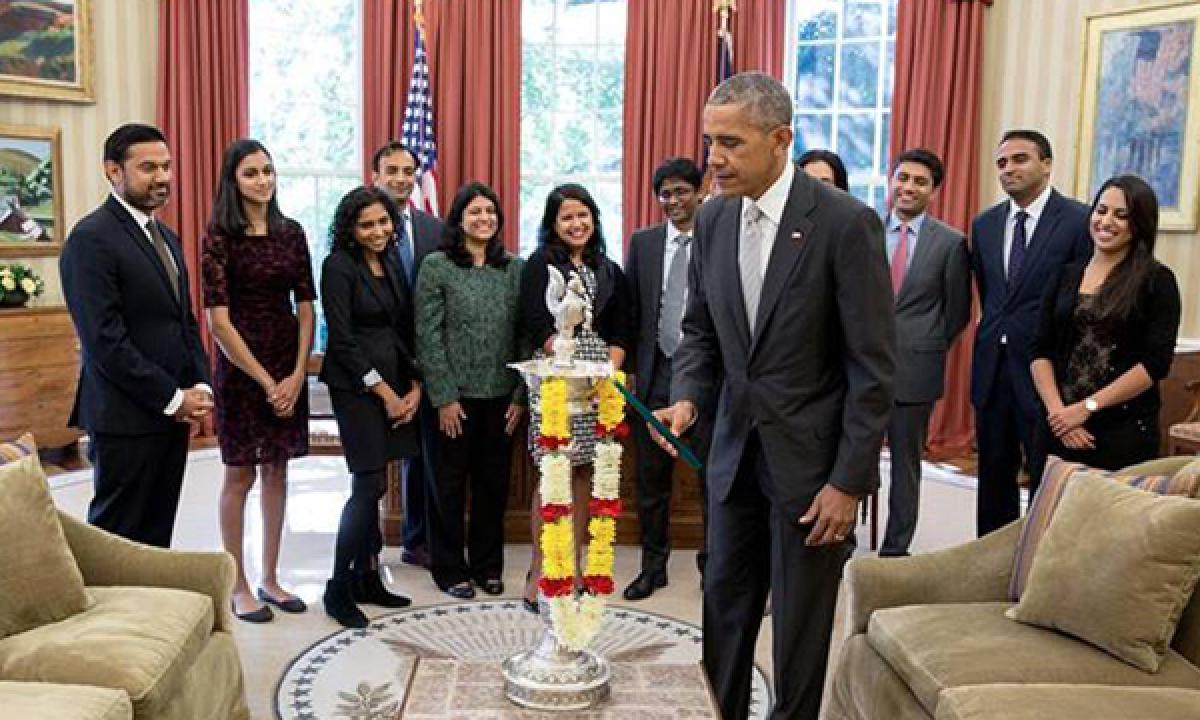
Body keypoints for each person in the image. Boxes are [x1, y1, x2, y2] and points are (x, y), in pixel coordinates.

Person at [653, 72, 895, 720]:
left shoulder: (846, 224)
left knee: (799, 633)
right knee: (724, 614)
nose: (714, 159)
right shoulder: (712, 220)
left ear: (780, 138)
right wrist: (687, 400)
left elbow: (872, 369)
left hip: (814, 474)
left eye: (730, 143)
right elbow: (699, 333)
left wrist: (849, 482)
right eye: (709, 141)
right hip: (733, 460)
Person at [60, 123, 213, 548]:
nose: (163, 177)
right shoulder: (91, 239)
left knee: (157, 537)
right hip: (124, 418)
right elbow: (104, 342)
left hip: (170, 415)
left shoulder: (166, 236)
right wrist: (172, 396)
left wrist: (198, 384)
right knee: (119, 541)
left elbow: (184, 321)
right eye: (148, 168)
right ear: (113, 171)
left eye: (166, 166)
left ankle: (155, 615)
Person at [202, 138, 315, 622]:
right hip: (242, 368)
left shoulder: (291, 233)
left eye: (268, 170)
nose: (263, 180)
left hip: (287, 361)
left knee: (278, 470)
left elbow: (307, 308)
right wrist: (267, 381)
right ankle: (238, 582)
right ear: (234, 180)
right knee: (240, 473)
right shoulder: (218, 238)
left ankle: (270, 577)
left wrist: (293, 373)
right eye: (251, 173)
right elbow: (218, 323)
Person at [970, 130, 1091, 536]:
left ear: (1047, 163)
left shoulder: (1077, 221)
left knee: (1046, 481)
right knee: (992, 481)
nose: (1009, 169)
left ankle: (1040, 567)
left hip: (1047, 374)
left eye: (1020, 159)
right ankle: (990, 564)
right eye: (1001, 163)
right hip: (992, 371)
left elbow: (1082, 303)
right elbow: (992, 296)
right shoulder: (985, 224)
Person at [520, 183, 632, 613]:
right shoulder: (539, 266)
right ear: (553, 224)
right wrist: (571, 360)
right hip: (555, 381)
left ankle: (578, 567)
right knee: (553, 471)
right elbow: (533, 321)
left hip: (598, 385)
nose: (576, 223)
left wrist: (607, 367)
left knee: (585, 471)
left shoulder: (609, 270)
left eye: (583, 215)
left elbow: (623, 328)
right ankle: (540, 570)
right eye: (566, 217)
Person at [415, 182, 525, 599]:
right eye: (475, 212)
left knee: (492, 487)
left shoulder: (514, 268)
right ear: (459, 219)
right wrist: (443, 396)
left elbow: (524, 335)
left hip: (501, 397)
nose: (484, 219)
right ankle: (448, 568)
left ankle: (487, 566)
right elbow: (427, 334)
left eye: (490, 212)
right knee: (446, 485)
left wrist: (519, 395)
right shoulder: (437, 266)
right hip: (452, 399)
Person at [319, 186, 420, 628]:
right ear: (350, 229)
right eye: (367, 225)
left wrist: (415, 384)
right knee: (368, 484)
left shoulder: (392, 261)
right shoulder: (337, 267)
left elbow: (404, 328)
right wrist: (385, 393)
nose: (378, 231)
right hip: (357, 387)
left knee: (379, 486)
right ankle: (337, 586)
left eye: (383, 222)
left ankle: (368, 577)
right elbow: (341, 340)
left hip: (397, 381)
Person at [1031, 175, 1181, 471]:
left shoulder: (1157, 280)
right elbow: (1039, 350)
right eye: (1101, 210)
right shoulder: (1064, 275)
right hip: (1057, 425)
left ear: (1139, 224)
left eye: (1121, 215)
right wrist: (1061, 415)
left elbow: (1155, 364)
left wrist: (1086, 408)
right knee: (1050, 514)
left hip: (1121, 431)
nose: (1106, 221)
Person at [623, 156, 711, 600]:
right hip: (655, 375)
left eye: (682, 191)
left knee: (710, 478)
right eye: (666, 193)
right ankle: (652, 567)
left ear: (700, 191)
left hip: (705, 381)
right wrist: (634, 370)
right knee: (651, 481)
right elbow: (634, 309)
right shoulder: (643, 243)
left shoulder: (718, 237)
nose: (673, 200)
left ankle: (710, 567)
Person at [879, 148, 971, 557]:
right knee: (849, 460)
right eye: (903, 178)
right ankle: (838, 542)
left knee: (905, 467)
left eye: (919, 181)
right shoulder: (863, 228)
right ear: (891, 180)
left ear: (933, 190)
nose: (908, 187)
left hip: (916, 370)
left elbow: (957, 313)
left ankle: (895, 550)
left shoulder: (951, 243)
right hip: (858, 368)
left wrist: (924, 343)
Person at [371, 140, 443, 569]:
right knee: (373, 457)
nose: (400, 178)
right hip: (376, 357)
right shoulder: (361, 223)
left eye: (407, 170)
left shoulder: (434, 229)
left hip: (422, 356)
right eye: (391, 171)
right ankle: (366, 546)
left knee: (422, 453)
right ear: (376, 176)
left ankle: (417, 539)